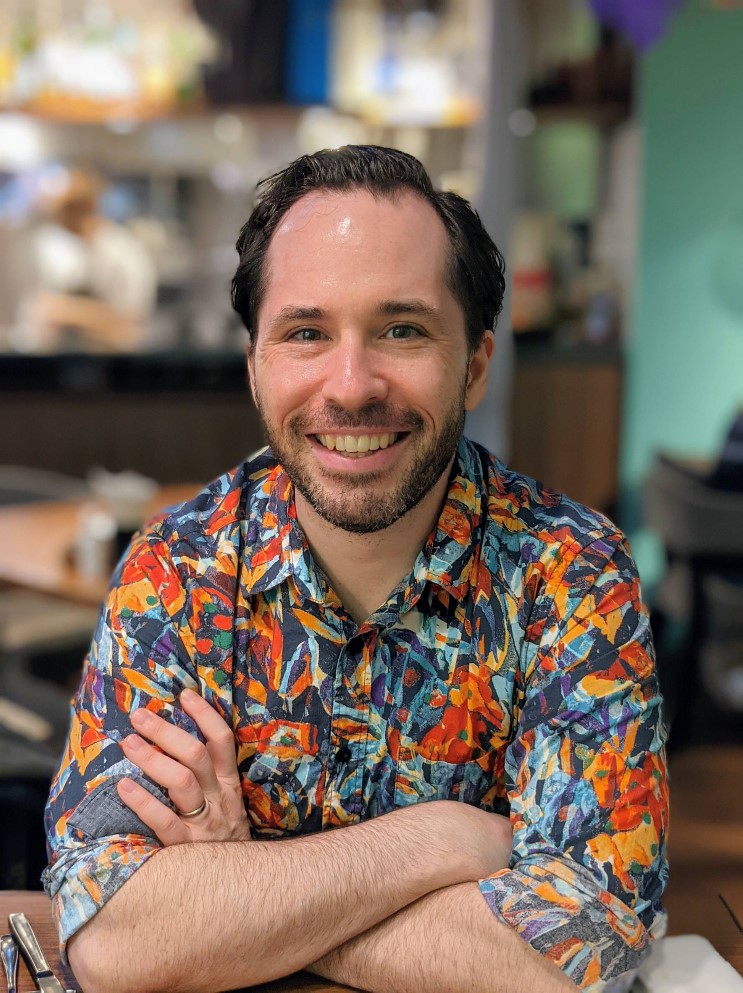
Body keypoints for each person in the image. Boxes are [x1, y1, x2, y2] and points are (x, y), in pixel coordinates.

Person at [44, 146, 668, 993]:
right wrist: (438, 842)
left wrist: (245, 899)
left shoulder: (572, 573)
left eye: (400, 330)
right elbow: (111, 939)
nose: (351, 385)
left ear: (475, 364)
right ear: (256, 363)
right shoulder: (177, 570)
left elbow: (583, 945)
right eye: (306, 332)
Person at [14, 167, 156, 353]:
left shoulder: (123, 254)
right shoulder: (82, 249)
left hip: (117, 362)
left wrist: (65, 311)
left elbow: (132, 319)